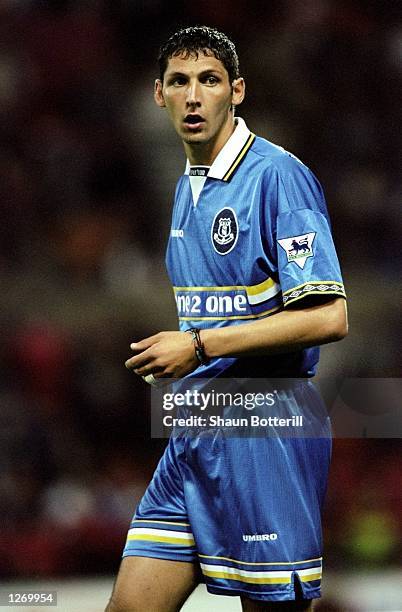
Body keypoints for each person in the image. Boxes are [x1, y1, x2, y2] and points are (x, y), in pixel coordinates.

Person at [106, 26, 348, 612]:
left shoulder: (276, 177)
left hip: (267, 430)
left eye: (209, 81)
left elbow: (330, 316)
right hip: (196, 432)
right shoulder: (185, 190)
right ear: (157, 95)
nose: (194, 96)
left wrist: (200, 346)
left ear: (236, 91)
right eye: (179, 82)